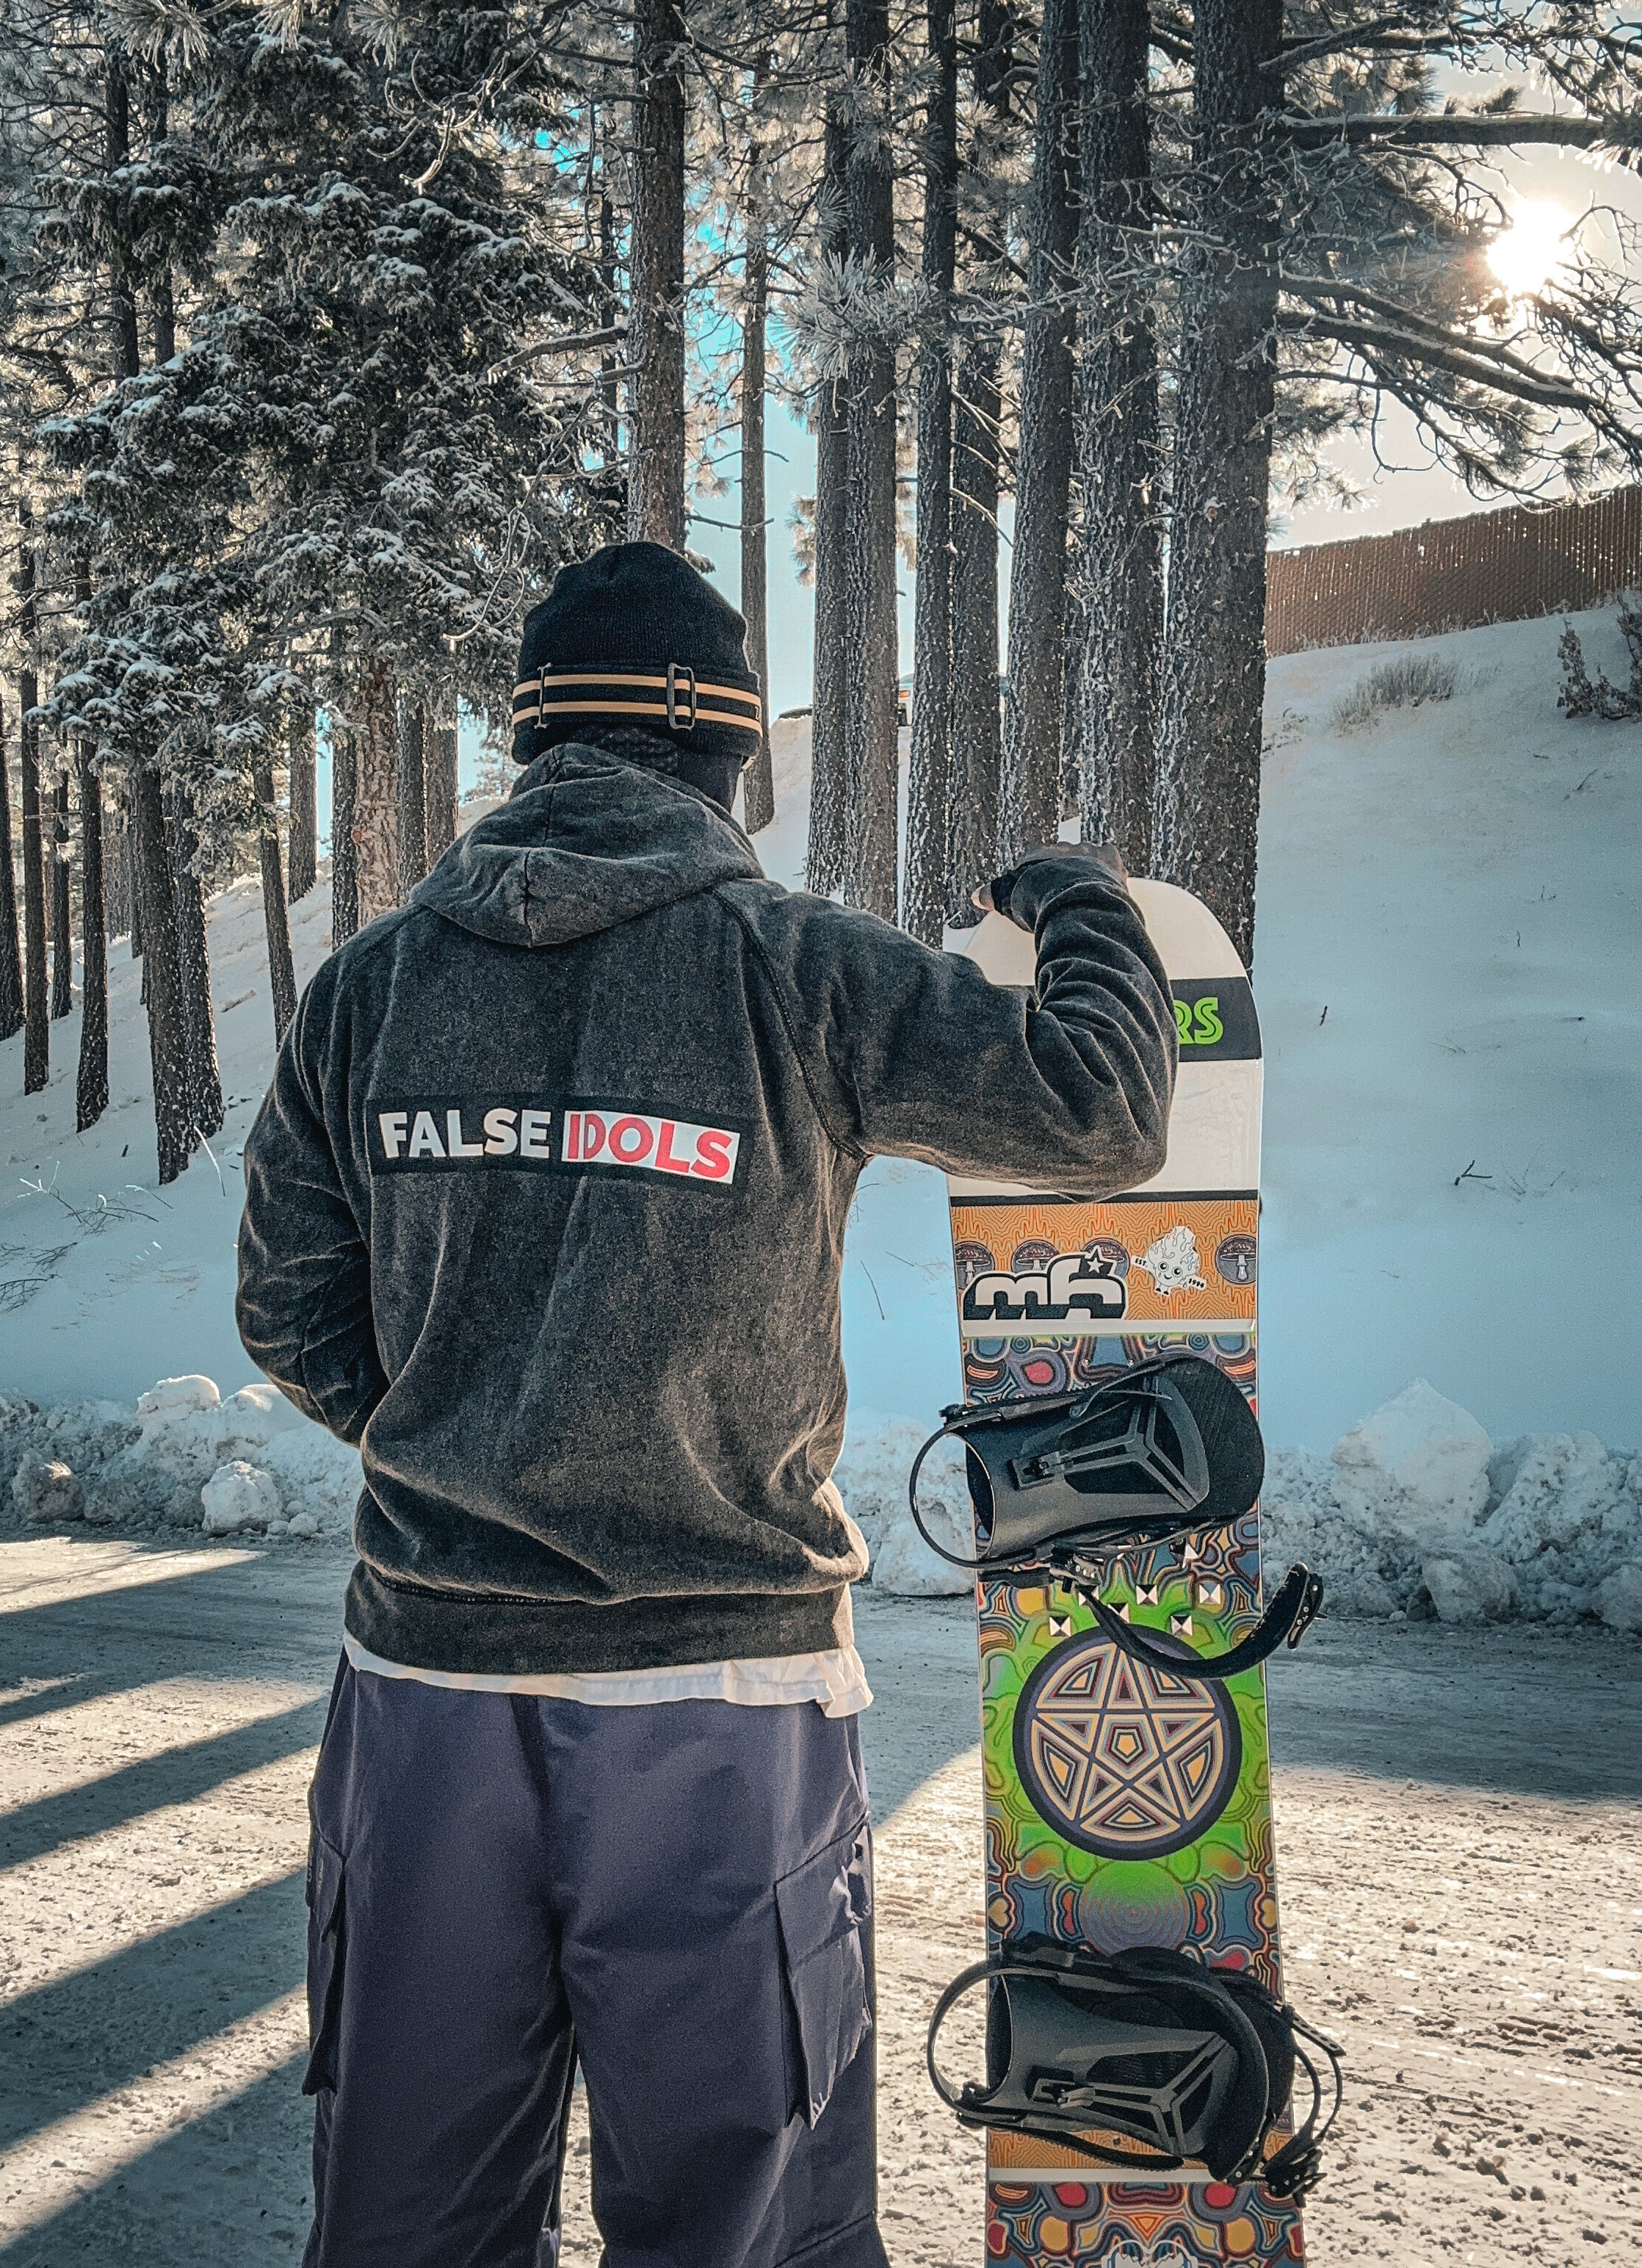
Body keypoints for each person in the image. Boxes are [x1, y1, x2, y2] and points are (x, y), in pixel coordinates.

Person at [236, 541, 1177, 2268]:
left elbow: (290, 1306)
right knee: (739, 2219)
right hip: (722, 1696)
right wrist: (1089, 910)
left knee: (405, 2217)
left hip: (426, 1688)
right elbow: (1101, 1110)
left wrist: (466, 1437)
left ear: (531, 740)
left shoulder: (370, 985)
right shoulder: (797, 963)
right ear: (723, 749)